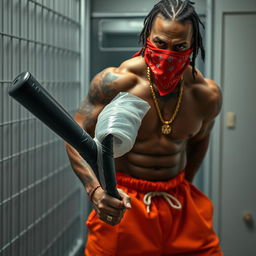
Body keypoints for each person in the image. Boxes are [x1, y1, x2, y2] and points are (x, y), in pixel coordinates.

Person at [65, 0, 223, 255]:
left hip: (178, 201)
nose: (168, 54)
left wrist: (184, 183)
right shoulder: (117, 82)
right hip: (125, 200)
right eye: (160, 43)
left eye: (179, 47)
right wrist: (95, 190)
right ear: (147, 35)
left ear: (192, 46)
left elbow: (200, 140)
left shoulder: (205, 95)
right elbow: (75, 134)